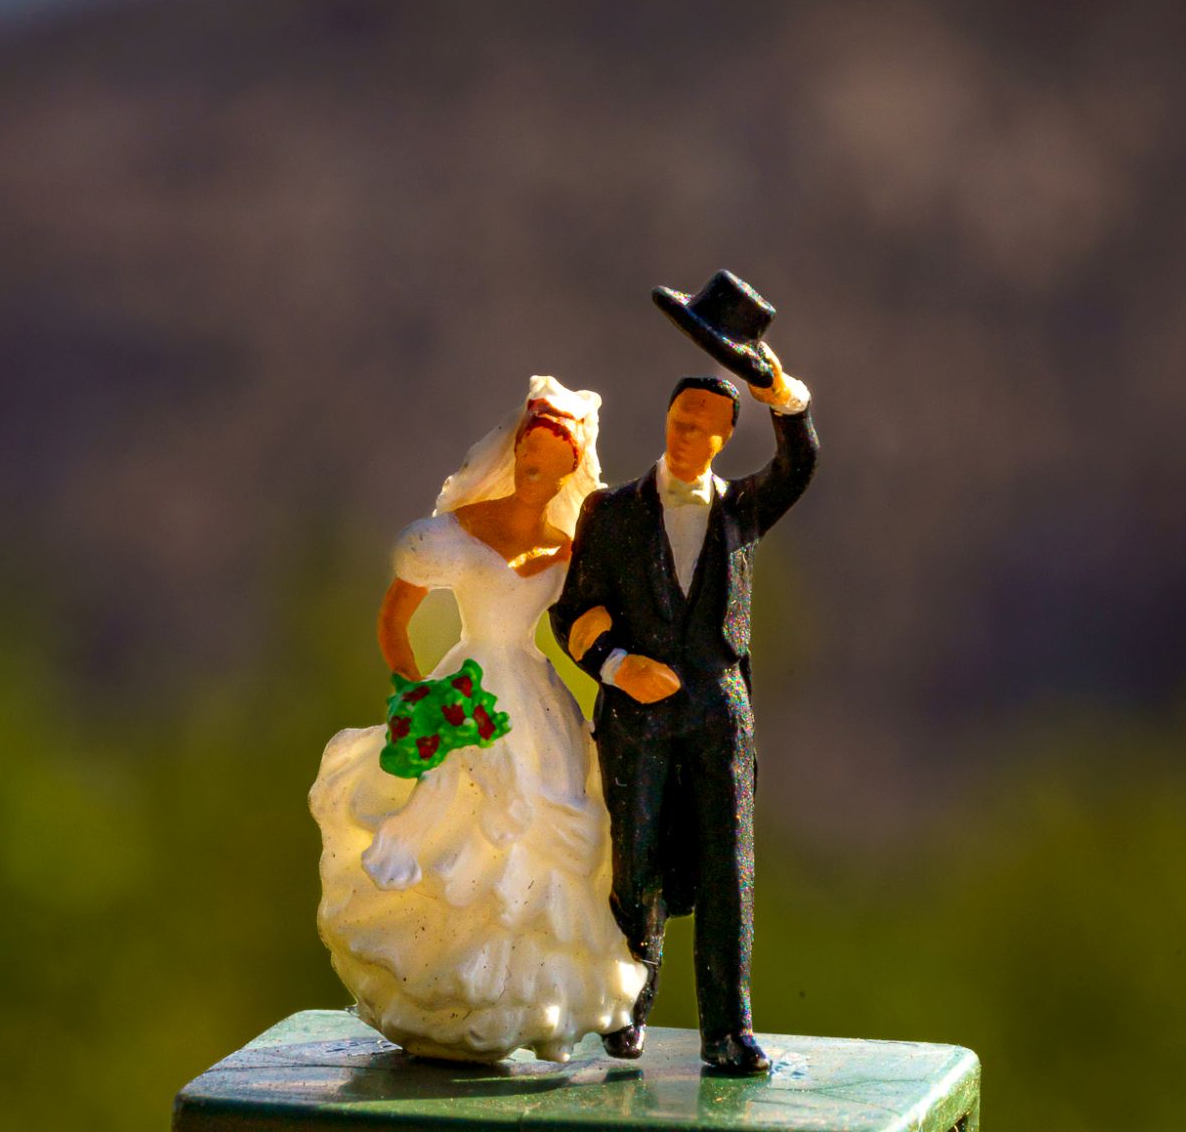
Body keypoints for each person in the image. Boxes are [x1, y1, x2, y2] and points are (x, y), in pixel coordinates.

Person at [309, 378, 646, 1063]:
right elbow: (395, 616)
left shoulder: (565, 550)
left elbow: (588, 621)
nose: (536, 480)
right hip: (470, 687)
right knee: (453, 827)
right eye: (529, 464)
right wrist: (413, 693)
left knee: (544, 834)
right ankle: (438, 989)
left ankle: (520, 1001)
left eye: (553, 471)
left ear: (570, 475)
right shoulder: (459, 533)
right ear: (513, 456)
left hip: (532, 696)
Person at [551, 351, 817, 1075]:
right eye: (678, 421)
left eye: (702, 427)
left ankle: (728, 1029)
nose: (686, 435)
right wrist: (617, 665)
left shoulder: (742, 509)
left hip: (719, 712)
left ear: (726, 436)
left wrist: (780, 392)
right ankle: (624, 1010)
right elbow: (570, 611)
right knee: (636, 864)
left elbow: (799, 464)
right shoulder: (610, 512)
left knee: (730, 868)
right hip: (636, 717)